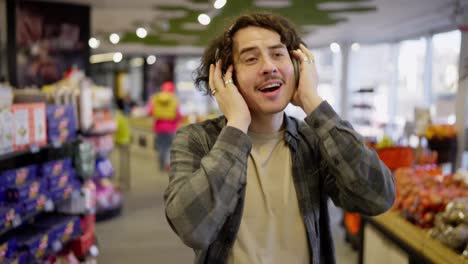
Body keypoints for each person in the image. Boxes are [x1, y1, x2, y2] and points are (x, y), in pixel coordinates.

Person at [164, 12, 395, 264]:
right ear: (225, 77)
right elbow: (191, 228)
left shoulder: (314, 140)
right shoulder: (197, 140)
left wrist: (313, 103)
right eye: (251, 58)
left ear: (297, 65)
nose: (269, 67)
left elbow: (377, 197)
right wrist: (237, 124)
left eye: (278, 54)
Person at [148, 81, 182, 171]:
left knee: (161, 146)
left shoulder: (155, 98)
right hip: (171, 127)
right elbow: (178, 115)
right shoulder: (174, 99)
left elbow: (150, 112)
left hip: (158, 127)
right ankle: (167, 163)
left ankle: (161, 164)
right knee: (170, 146)